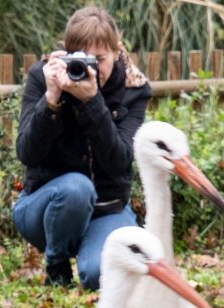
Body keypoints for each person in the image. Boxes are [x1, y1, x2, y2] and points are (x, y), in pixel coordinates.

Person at [12, 6, 151, 289]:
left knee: (101, 276)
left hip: (107, 209)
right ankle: (57, 265)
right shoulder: (45, 76)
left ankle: (88, 254)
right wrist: (51, 100)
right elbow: (26, 153)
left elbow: (120, 160)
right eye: (82, 59)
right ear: (67, 53)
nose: (90, 68)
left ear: (116, 51)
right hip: (46, 207)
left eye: (99, 59)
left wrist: (92, 103)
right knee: (77, 188)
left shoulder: (133, 88)